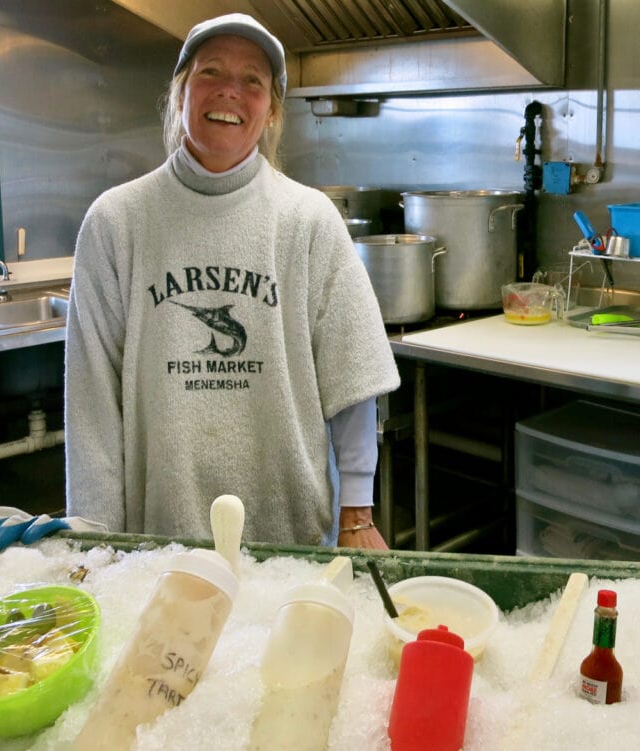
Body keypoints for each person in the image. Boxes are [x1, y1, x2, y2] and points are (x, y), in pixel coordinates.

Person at [64, 13, 399, 550]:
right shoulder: (117, 221)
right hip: (159, 538)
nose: (230, 92)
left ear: (270, 112)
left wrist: (356, 516)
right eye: (211, 72)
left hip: (289, 533)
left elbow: (353, 377)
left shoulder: (308, 219)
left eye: (252, 81)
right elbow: (92, 406)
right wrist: (97, 541)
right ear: (179, 95)